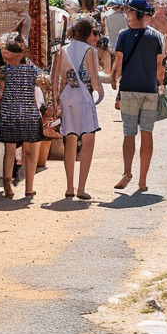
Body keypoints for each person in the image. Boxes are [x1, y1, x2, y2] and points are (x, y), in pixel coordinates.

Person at [110, 0, 166, 192]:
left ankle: (127, 172)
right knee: (146, 132)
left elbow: (118, 66)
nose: (127, 14)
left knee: (129, 133)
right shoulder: (157, 37)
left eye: (130, 12)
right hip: (149, 91)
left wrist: (115, 81)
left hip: (129, 90)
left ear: (139, 14)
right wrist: (160, 85)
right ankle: (142, 180)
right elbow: (160, 65)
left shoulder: (123, 36)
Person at [51, 18, 103, 200]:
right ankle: (81, 188)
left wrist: (56, 101)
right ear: (88, 33)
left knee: (70, 141)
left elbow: (57, 78)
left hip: (67, 97)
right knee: (88, 142)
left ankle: (69, 187)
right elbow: (94, 79)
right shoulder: (89, 51)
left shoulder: (62, 50)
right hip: (83, 98)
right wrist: (101, 94)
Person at [0, 34, 44, 199]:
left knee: (9, 151)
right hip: (29, 112)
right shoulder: (32, 70)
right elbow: (45, 83)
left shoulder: (4, 71)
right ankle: (29, 188)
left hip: (10, 113)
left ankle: (7, 185)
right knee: (29, 152)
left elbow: (0, 91)